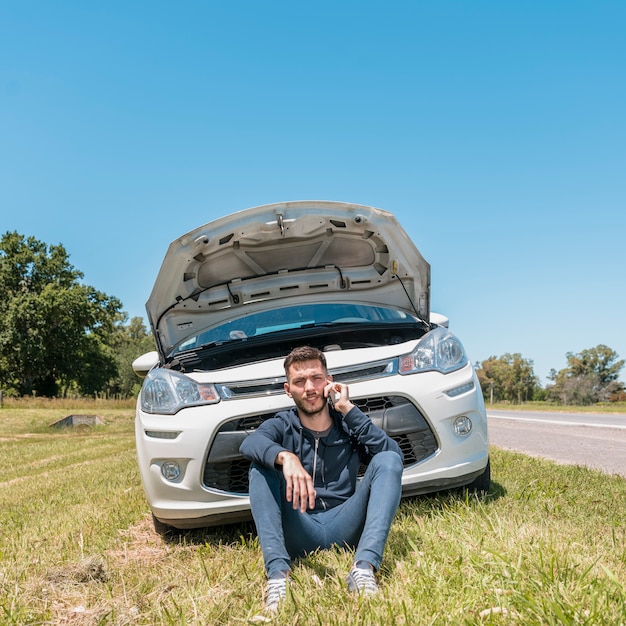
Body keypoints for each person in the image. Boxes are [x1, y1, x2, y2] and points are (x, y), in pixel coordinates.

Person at [239, 345, 404, 612]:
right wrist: (285, 457)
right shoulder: (283, 423)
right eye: (299, 381)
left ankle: (363, 570)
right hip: (299, 528)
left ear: (329, 382)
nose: (310, 388)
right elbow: (251, 444)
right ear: (288, 389)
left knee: (387, 459)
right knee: (260, 468)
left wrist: (348, 409)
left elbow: (393, 457)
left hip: (346, 525)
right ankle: (278, 578)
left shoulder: (349, 424)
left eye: (316, 378)